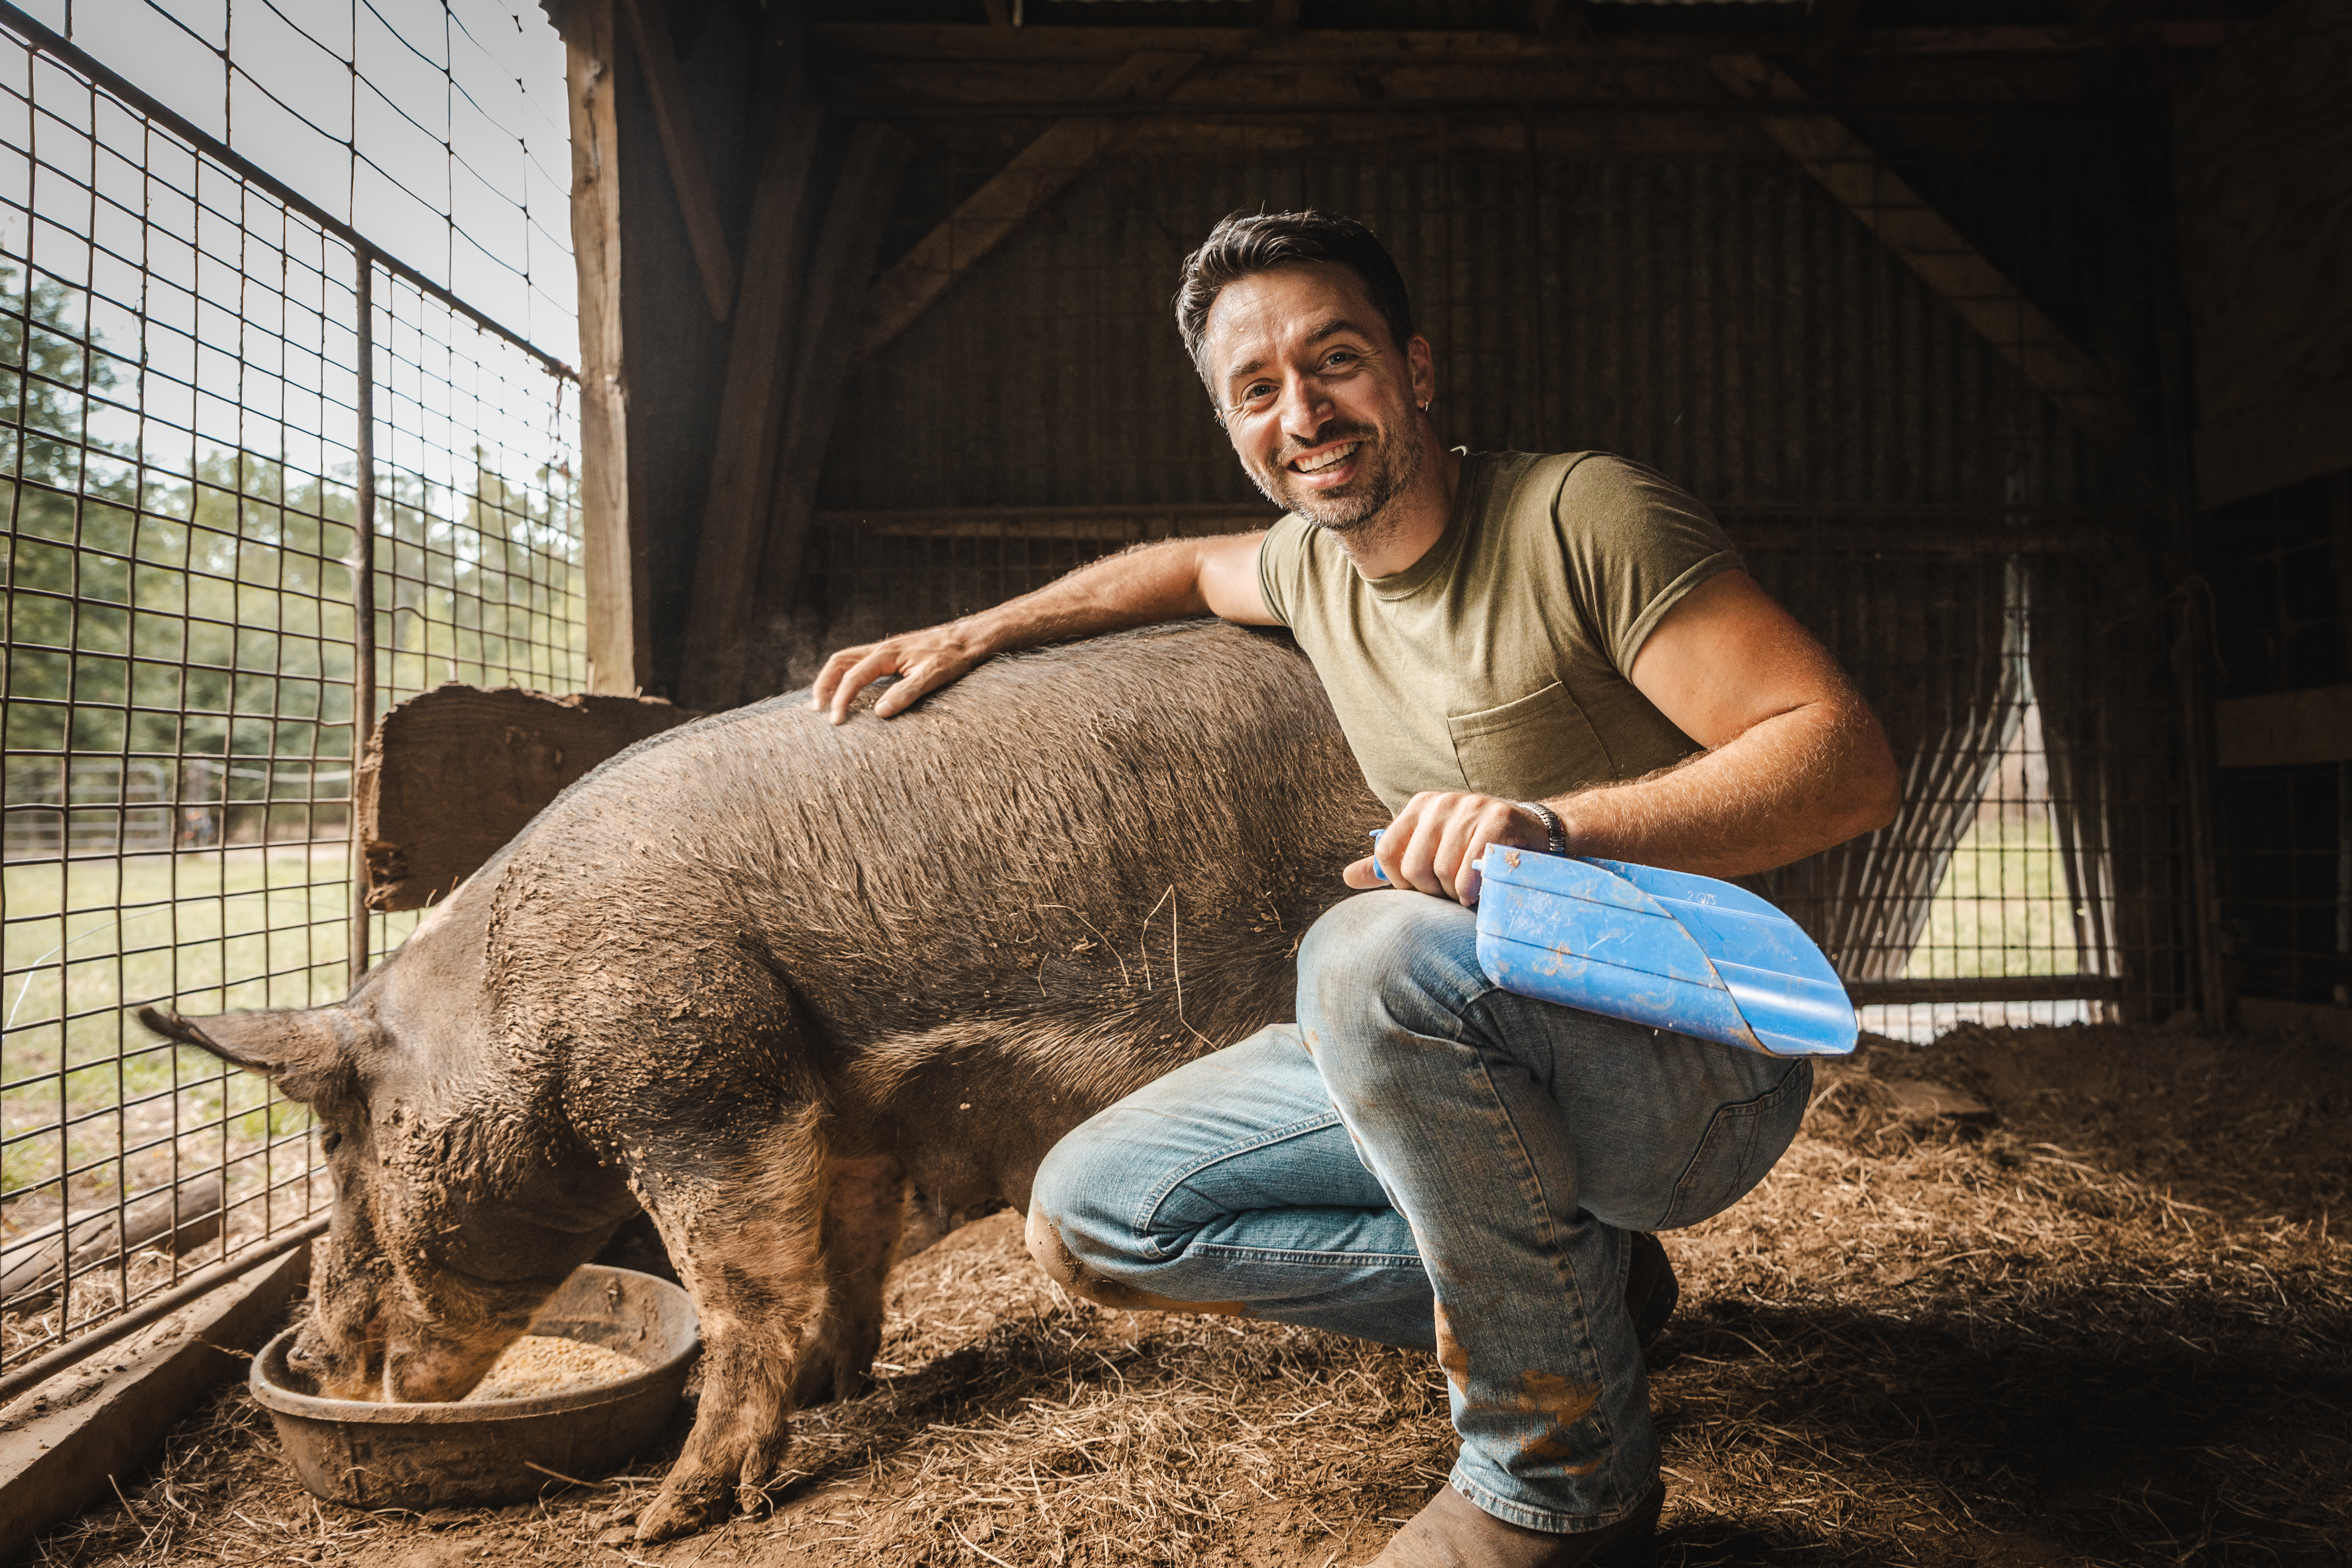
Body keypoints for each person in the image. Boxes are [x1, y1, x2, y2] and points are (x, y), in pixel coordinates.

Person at [809, 210, 1898, 1568]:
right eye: (1257, 390)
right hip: (1487, 1040)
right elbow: (1183, 567)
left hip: (1687, 1056)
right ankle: (1588, 1297)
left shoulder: (1584, 515)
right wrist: (982, 628)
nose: (1304, 414)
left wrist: (1552, 828)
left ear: (1415, 369)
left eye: (1335, 361)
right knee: (1092, 1214)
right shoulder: (1310, 565)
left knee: (1366, 954)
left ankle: (1560, 1481)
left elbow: (1842, 758)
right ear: (1232, 426)